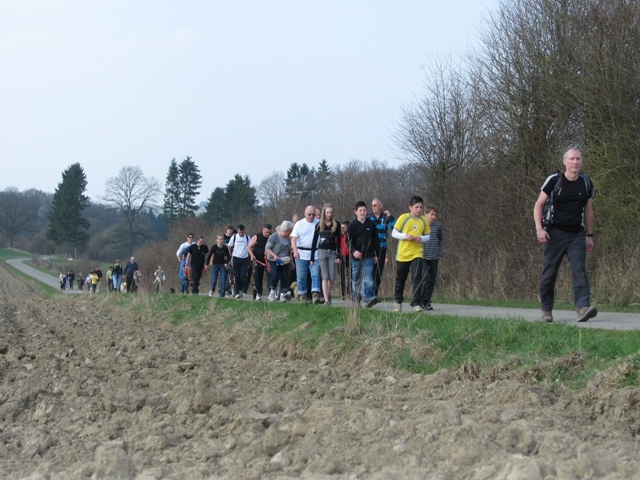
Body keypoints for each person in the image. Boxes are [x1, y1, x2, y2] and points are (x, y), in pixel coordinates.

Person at [533, 148, 597, 323]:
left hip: (577, 233)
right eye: (572, 159)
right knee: (549, 271)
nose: (575, 162)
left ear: (581, 162)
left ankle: (583, 308)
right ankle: (546, 309)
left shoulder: (586, 183)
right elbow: (538, 205)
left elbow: (588, 210)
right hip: (555, 233)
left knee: (579, 270)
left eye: (578, 159)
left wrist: (589, 235)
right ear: (564, 162)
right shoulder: (554, 181)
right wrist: (540, 229)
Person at [392, 196, 431, 313]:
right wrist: (405, 236)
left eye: (420, 207)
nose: (418, 210)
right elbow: (394, 233)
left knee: (417, 276)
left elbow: (428, 236)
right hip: (403, 253)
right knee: (401, 278)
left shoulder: (424, 220)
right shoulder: (403, 218)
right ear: (410, 207)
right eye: (416, 207)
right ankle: (398, 302)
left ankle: (416, 303)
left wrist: (422, 238)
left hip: (417, 252)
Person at [347, 201, 380, 307]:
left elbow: (376, 241)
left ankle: (369, 297)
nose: (362, 212)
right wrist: (353, 251)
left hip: (369, 255)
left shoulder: (371, 225)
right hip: (355, 257)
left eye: (364, 210)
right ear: (355, 212)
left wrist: (376, 255)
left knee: (368, 277)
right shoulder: (352, 225)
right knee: (355, 278)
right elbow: (347, 241)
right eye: (360, 211)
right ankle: (355, 297)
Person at [311, 203, 341, 305]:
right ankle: (327, 300)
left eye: (331, 212)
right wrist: (312, 257)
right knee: (325, 277)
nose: (329, 214)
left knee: (331, 278)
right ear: (324, 213)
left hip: (332, 252)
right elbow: (314, 241)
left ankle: (325, 295)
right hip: (322, 252)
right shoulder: (319, 225)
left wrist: (338, 255)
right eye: (327, 212)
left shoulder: (336, 224)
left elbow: (339, 241)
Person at [291, 205, 322, 303]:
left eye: (313, 214)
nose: (311, 216)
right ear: (305, 214)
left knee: (316, 275)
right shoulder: (299, 224)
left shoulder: (319, 223)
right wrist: (295, 251)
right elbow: (294, 239)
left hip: (315, 253)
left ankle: (315, 294)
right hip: (301, 253)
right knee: (301, 276)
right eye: (309, 214)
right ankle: (302, 294)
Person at [368, 198, 396, 301]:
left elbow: (395, 227)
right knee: (370, 271)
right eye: (372, 205)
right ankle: (368, 294)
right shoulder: (368, 217)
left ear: (381, 206)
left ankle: (375, 293)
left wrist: (390, 216)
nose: (373, 207)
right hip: (370, 249)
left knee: (378, 272)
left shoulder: (385, 218)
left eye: (375, 205)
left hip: (382, 249)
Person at [422, 205, 445, 310]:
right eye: (431, 214)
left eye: (435, 215)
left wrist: (441, 251)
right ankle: (420, 299)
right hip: (422, 256)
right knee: (424, 279)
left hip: (434, 256)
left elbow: (441, 239)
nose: (433, 217)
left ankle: (427, 301)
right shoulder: (421, 225)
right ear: (425, 214)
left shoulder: (437, 227)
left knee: (431, 280)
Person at [265, 221, 294, 301]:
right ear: (286, 230)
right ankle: (272, 291)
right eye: (289, 231)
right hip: (274, 260)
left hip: (285, 260)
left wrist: (291, 261)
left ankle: (282, 294)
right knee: (275, 276)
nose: (290, 233)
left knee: (284, 277)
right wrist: (274, 256)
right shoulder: (274, 237)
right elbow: (267, 248)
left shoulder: (288, 239)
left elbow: (289, 251)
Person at [248, 224, 273, 300]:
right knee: (258, 277)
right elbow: (249, 247)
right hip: (258, 260)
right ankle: (259, 293)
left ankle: (271, 293)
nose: (267, 234)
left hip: (268, 261)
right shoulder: (257, 236)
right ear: (263, 230)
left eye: (269, 232)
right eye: (266, 232)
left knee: (271, 277)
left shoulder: (271, 237)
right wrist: (252, 255)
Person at [228, 225, 250, 299]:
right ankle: (236, 292)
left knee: (243, 275)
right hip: (236, 258)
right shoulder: (234, 237)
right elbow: (229, 246)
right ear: (238, 231)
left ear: (244, 230)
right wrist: (230, 255)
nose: (241, 233)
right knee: (236, 276)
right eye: (240, 232)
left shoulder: (247, 237)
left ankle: (240, 289)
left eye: (242, 232)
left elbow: (250, 246)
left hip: (245, 258)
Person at [339, 220, 351, 300]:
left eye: (343, 227)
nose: (342, 229)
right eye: (341, 228)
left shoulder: (350, 236)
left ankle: (350, 292)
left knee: (350, 275)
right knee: (342, 275)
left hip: (349, 256)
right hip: (341, 256)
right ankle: (343, 293)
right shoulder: (339, 236)